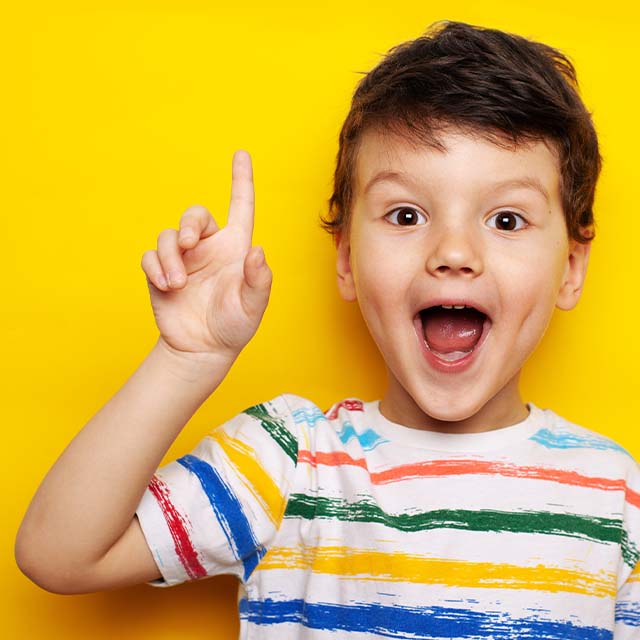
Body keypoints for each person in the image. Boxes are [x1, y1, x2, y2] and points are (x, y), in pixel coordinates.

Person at [15, 19, 640, 639]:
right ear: (346, 260)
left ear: (571, 269)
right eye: (406, 214)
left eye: (506, 220)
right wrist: (188, 356)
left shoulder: (620, 500)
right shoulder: (286, 463)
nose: (454, 251)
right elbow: (59, 556)